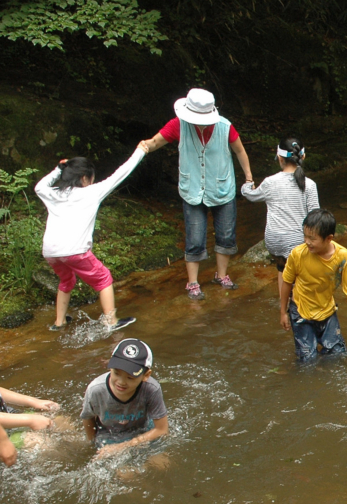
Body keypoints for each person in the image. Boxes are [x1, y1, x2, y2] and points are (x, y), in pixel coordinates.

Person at [140, 88, 253, 300]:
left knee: (226, 235)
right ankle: (193, 283)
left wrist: (248, 178)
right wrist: (144, 146)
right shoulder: (178, 125)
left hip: (222, 187)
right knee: (194, 237)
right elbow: (155, 142)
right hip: (192, 188)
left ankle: (222, 276)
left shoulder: (224, 126)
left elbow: (239, 150)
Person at [34, 146, 148, 332]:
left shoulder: (54, 194)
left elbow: (38, 187)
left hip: (51, 252)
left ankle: (59, 322)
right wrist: (141, 151)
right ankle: (111, 322)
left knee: (66, 281)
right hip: (75, 251)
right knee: (104, 278)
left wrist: (57, 170)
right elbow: (121, 173)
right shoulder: (91, 192)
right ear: (84, 178)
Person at [241, 136, 320, 299]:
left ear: (280, 158)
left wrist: (248, 182)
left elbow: (251, 195)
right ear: (303, 157)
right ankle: (298, 306)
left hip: (274, 241)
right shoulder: (309, 184)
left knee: (282, 268)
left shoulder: (270, 182)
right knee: (300, 274)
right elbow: (315, 217)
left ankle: (283, 308)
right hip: (296, 241)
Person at [280, 209, 347, 362]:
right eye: (305, 236)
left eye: (312, 238)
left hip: (327, 311)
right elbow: (287, 282)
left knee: (337, 355)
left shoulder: (342, 256)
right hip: (300, 311)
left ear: (329, 238)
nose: (307, 241)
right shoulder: (297, 254)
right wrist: (283, 311)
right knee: (307, 360)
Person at [81, 339, 169, 460]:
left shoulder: (151, 389)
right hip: (109, 436)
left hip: (142, 432)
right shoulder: (96, 390)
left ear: (146, 375)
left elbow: (162, 429)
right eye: (116, 373)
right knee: (126, 475)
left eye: (130, 377)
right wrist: (92, 445)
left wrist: (124, 446)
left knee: (162, 464)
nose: (121, 382)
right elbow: (87, 418)